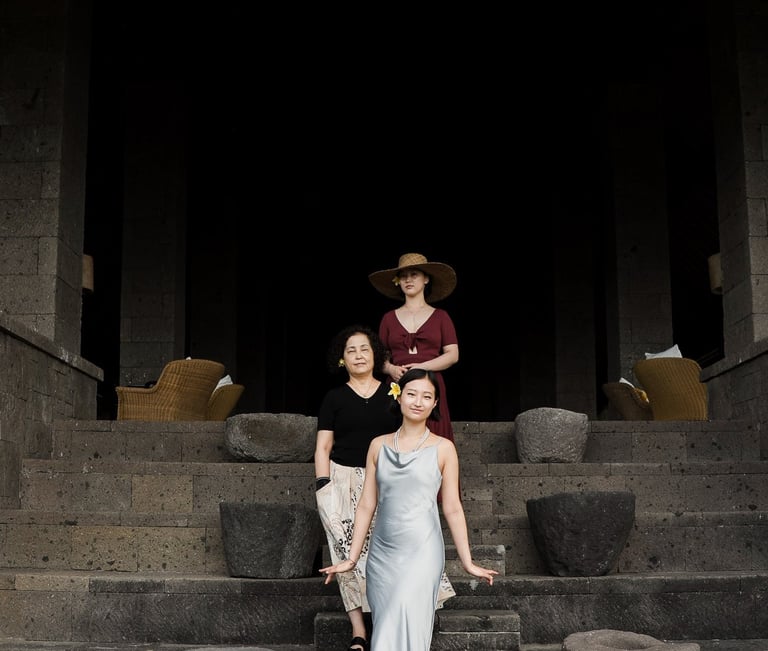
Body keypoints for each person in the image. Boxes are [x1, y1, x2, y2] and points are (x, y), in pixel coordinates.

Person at [320, 368, 497, 651]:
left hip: (423, 552)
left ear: (436, 404)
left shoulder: (444, 448)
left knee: (410, 628)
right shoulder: (378, 445)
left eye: (427, 396)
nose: (418, 401)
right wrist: (352, 558)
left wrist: (467, 561)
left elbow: (452, 506)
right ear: (398, 396)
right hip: (383, 555)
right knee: (385, 630)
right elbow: (367, 504)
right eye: (412, 393)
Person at [314, 325, 401, 651]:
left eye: (364, 349)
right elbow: (323, 447)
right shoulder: (334, 398)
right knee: (344, 552)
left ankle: (386, 621)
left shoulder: (393, 391)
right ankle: (359, 631)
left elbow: (406, 435)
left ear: (375, 355)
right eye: (351, 350)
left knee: (384, 551)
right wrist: (324, 487)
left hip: (384, 480)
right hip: (341, 479)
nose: (359, 355)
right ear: (342, 360)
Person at [368, 252, 459, 444]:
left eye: (414, 274)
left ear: (426, 279)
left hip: (430, 381)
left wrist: (422, 367)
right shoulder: (388, 318)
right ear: (398, 281)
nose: (408, 280)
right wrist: (391, 368)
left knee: (434, 437)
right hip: (397, 384)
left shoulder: (441, 316)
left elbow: (453, 355)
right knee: (393, 437)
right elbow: (378, 357)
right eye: (403, 276)